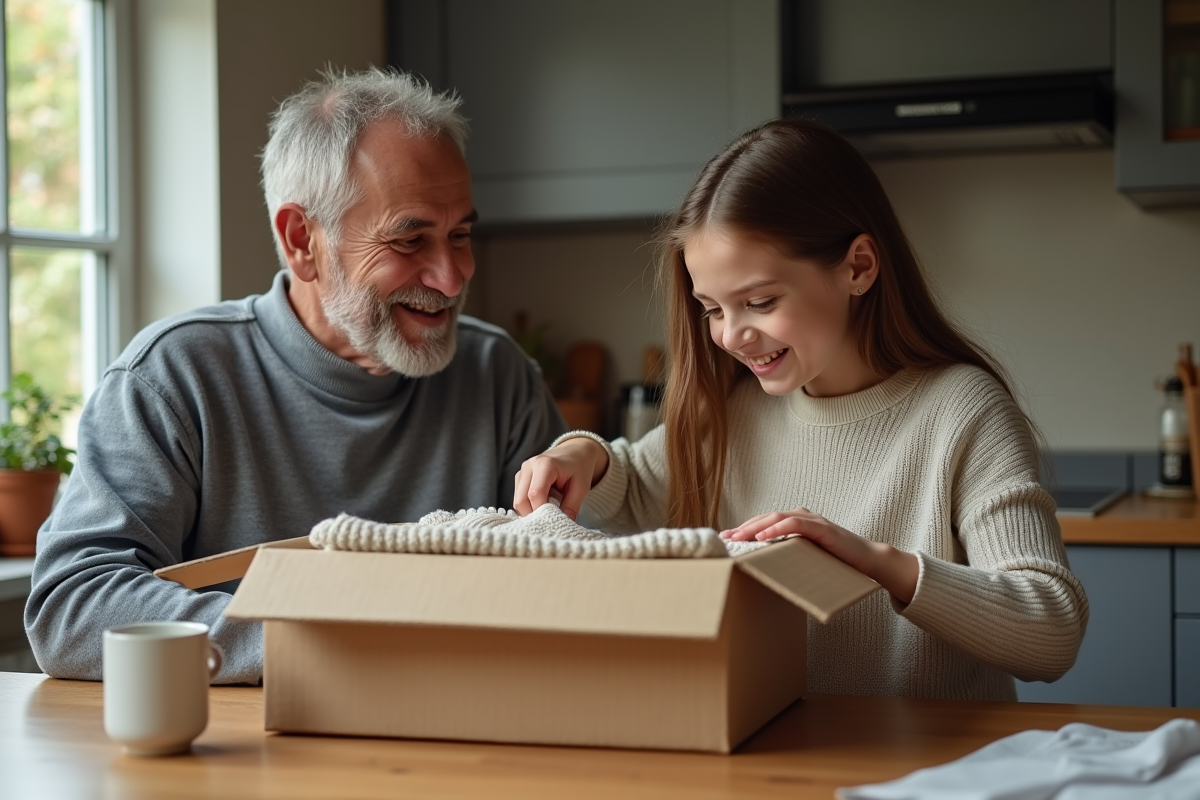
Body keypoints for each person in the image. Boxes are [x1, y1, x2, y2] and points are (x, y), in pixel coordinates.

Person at [514, 119, 1087, 702]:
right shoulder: (735, 410)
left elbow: (1052, 632)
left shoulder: (962, 412)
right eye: (711, 309)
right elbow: (631, 485)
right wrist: (579, 452)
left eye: (759, 302)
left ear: (858, 267)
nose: (732, 336)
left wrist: (874, 562)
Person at [25, 69, 565, 683]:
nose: (452, 275)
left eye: (461, 234)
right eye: (410, 240)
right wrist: (326, 639)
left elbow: (575, 578)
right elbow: (71, 609)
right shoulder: (174, 376)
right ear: (302, 240)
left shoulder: (499, 376)